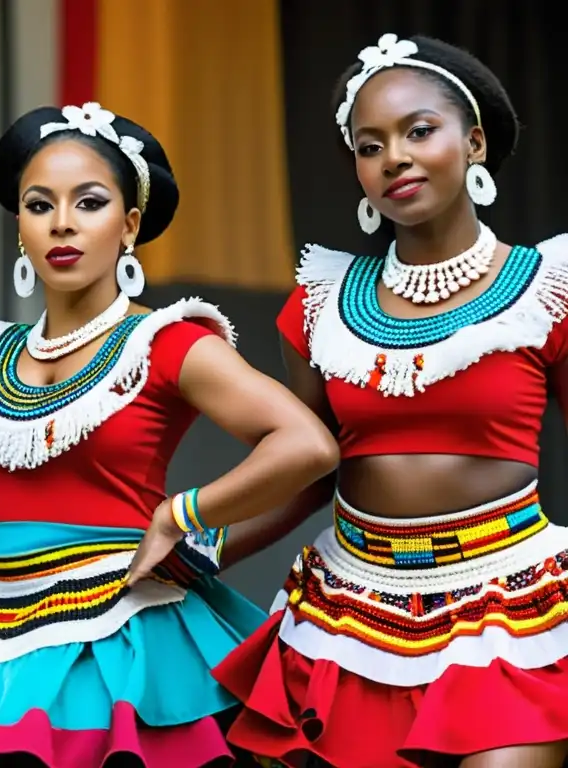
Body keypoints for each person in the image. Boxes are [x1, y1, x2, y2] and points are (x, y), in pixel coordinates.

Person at [0, 102, 339, 767]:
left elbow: (307, 446)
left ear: (130, 225)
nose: (63, 223)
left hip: (121, 639)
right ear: (19, 227)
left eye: (90, 202)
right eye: (39, 205)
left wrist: (183, 517)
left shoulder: (164, 343)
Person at [213, 33, 568, 768]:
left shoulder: (548, 290)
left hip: (512, 601)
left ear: (472, 143)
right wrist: (199, 547)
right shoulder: (319, 307)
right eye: (368, 146)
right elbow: (309, 471)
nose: (394, 158)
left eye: (418, 131)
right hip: (349, 610)